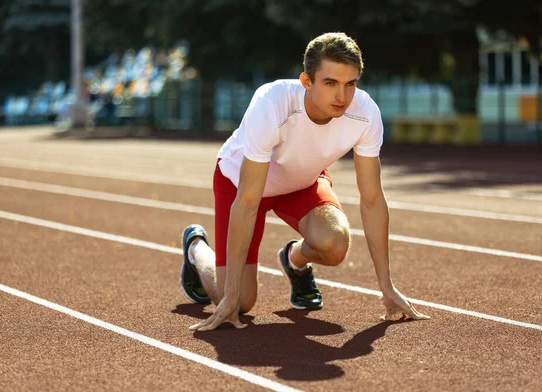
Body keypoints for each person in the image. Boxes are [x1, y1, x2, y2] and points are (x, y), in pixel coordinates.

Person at [181, 32, 430, 331]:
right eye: (330, 83)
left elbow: (372, 199)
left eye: (350, 83)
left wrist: (387, 290)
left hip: (301, 182)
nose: (342, 96)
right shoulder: (271, 104)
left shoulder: (365, 114)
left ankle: (294, 260)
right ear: (306, 81)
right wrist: (230, 294)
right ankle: (196, 249)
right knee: (240, 302)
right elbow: (247, 202)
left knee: (335, 243)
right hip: (241, 184)